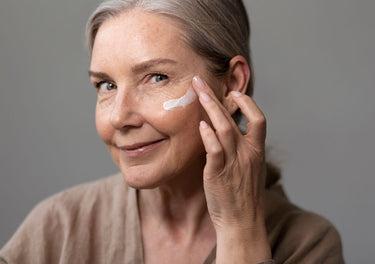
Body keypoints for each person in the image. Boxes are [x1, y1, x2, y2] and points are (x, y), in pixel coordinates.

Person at [0, 0, 344, 263]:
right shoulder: (57, 228)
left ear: (231, 84)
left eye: (157, 77)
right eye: (106, 85)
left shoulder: (307, 243)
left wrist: (240, 232)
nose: (120, 117)